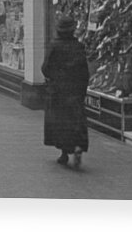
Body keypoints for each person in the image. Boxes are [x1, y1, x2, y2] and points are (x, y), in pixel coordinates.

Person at [41, 16, 90, 169]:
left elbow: (45, 68)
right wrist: (82, 89)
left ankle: (64, 153)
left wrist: (54, 78)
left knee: (61, 121)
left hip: (58, 91)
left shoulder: (54, 46)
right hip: (75, 90)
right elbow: (84, 71)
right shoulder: (79, 47)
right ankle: (78, 146)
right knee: (76, 120)